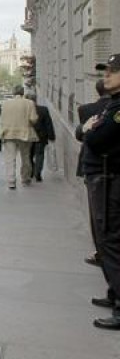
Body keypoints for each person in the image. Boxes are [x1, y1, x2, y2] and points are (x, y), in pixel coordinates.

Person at [81, 53, 120, 330]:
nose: (105, 76)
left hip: (111, 180)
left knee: (111, 241)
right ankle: (114, 293)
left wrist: (89, 130)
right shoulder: (112, 106)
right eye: (105, 72)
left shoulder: (116, 110)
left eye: (111, 71)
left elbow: (94, 137)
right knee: (106, 240)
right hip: (103, 178)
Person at [79, 79, 113, 267]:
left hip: (97, 169)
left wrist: (86, 129)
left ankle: (102, 251)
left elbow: (82, 135)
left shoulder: (86, 110)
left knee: (98, 214)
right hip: (105, 169)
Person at [0, 85, 38, 189]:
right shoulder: (29, 103)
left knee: (10, 158)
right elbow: (33, 119)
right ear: (23, 92)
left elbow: (2, 119)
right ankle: (25, 178)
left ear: (13, 92)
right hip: (25, 133)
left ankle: (11, 181)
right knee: (25, 157)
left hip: (9, 133)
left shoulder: (6, 104)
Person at [28, 93, 55, 182]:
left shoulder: (26, 110)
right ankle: (38, 172)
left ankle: (32, 171)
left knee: (29, 155)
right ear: (36, 100)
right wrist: (51, 136)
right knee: (40, 155)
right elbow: (48, 123)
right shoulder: (43, 109)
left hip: (29, 136)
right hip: (41, 136)